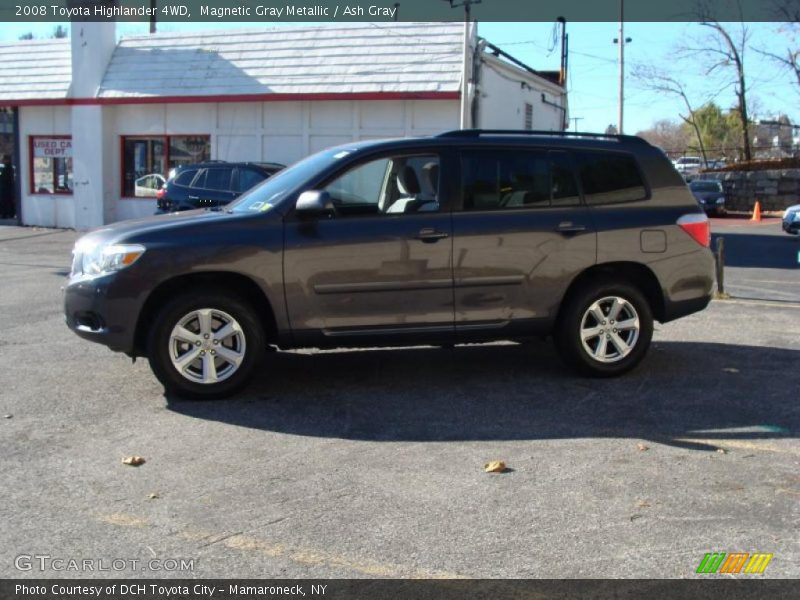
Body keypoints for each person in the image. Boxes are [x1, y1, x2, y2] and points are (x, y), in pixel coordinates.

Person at [0, 155, 15, 219]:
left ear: (7, 160)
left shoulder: (7, 168)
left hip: (6, 188)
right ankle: (9, 213)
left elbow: (5, 178)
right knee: (8, 201)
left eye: (4, 159)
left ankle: (6, 214)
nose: (2, 161)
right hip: (7, 188)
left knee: (5, 201)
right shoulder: (7, 167)